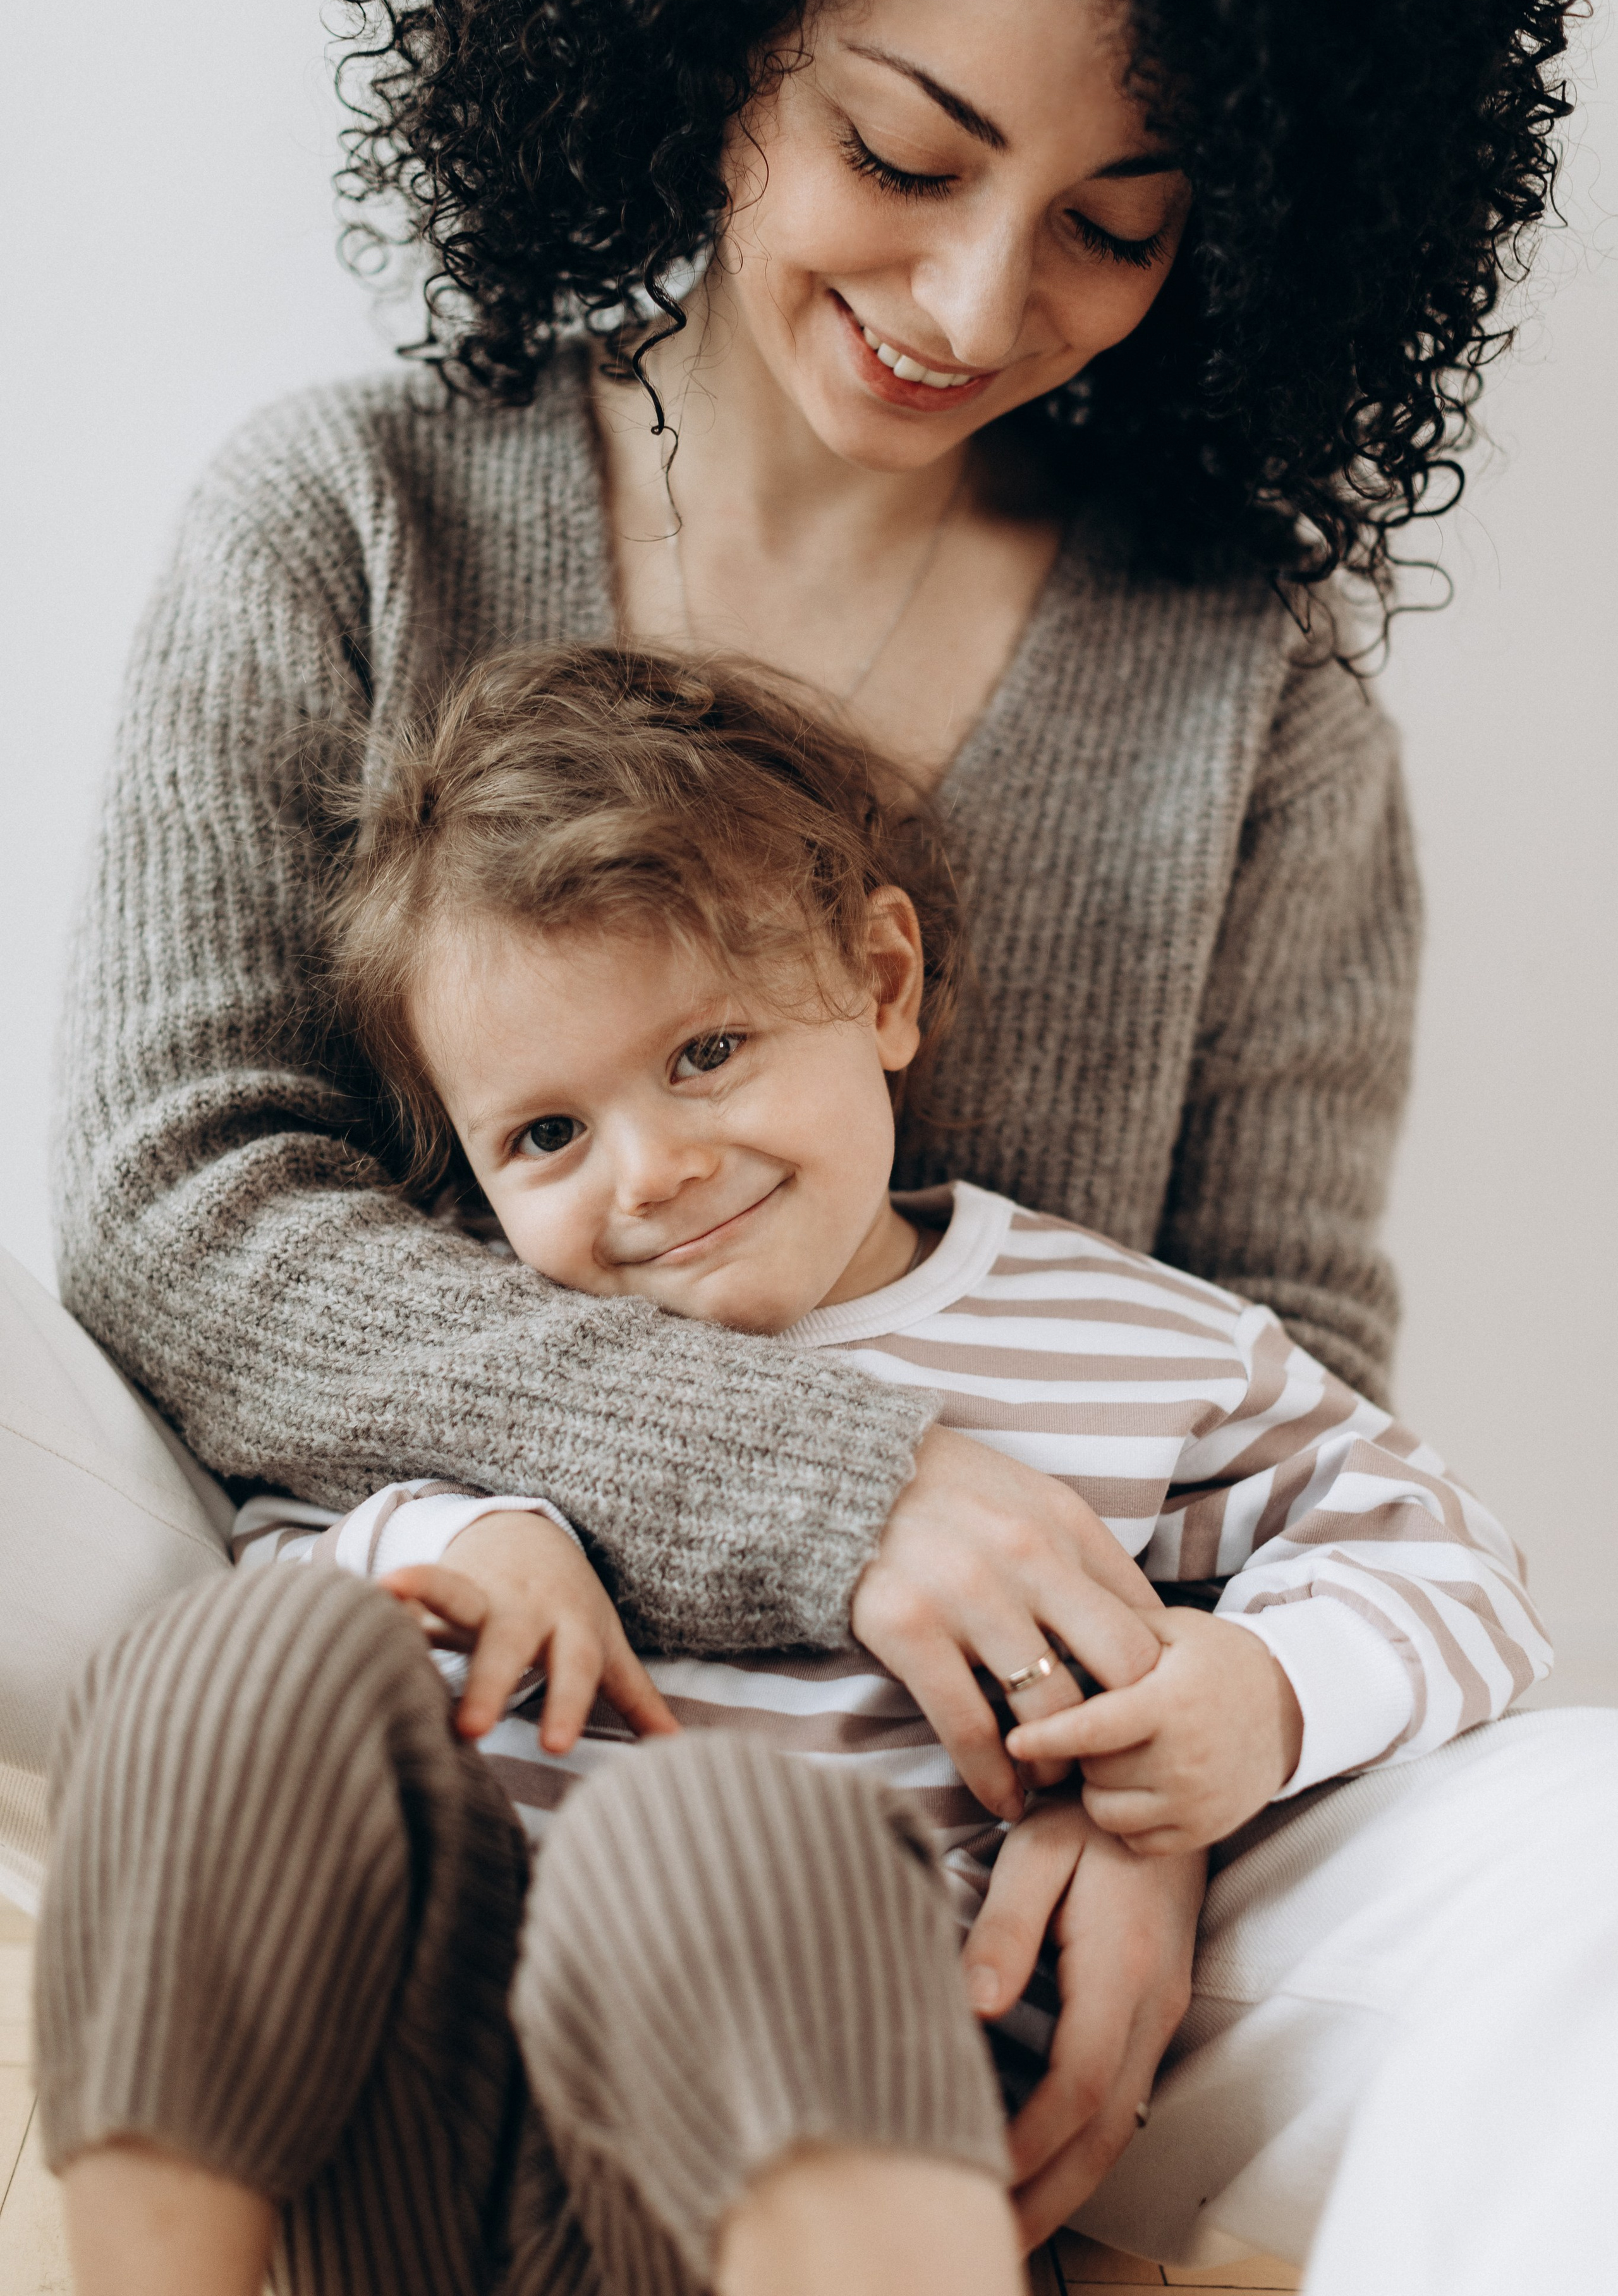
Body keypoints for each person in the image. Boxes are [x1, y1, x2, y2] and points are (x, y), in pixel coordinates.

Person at [11, 0, 1607, 2287]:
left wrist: (1160, 1788)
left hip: (953, 1851)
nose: (977, 304)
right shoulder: (351, 516)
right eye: (904, 153)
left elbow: (1280, 1373)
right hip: (430, 1719)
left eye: (1112, 224)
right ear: (716, 34)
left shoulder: (1247, 699)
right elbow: (184, 1206)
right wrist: (839, 1484)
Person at [38, 645, 1612, 2296]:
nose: (653, 1171)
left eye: (707, 1052)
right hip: (426, 2143)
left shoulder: (1137, 1347)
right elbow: (284, 1546)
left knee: (727, 1831)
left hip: (816, 2137)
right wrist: (457, 1529)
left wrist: (1264, 1689)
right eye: (546, 1137)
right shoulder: (475, 1341)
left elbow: (1446, 1557)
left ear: (880, 983)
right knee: (224, 1655)